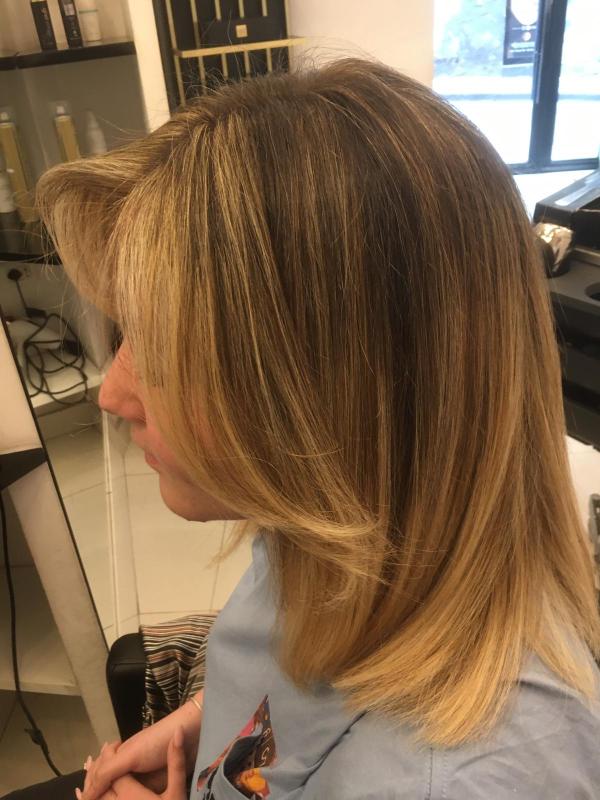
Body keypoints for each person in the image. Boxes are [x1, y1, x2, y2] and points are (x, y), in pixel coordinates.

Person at [5, 57, 600, 799]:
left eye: (162, 352)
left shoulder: (458, 780)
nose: (115, 394)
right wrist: (205, 722)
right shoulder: (336, 536)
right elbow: (294, 684)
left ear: (328, 402)